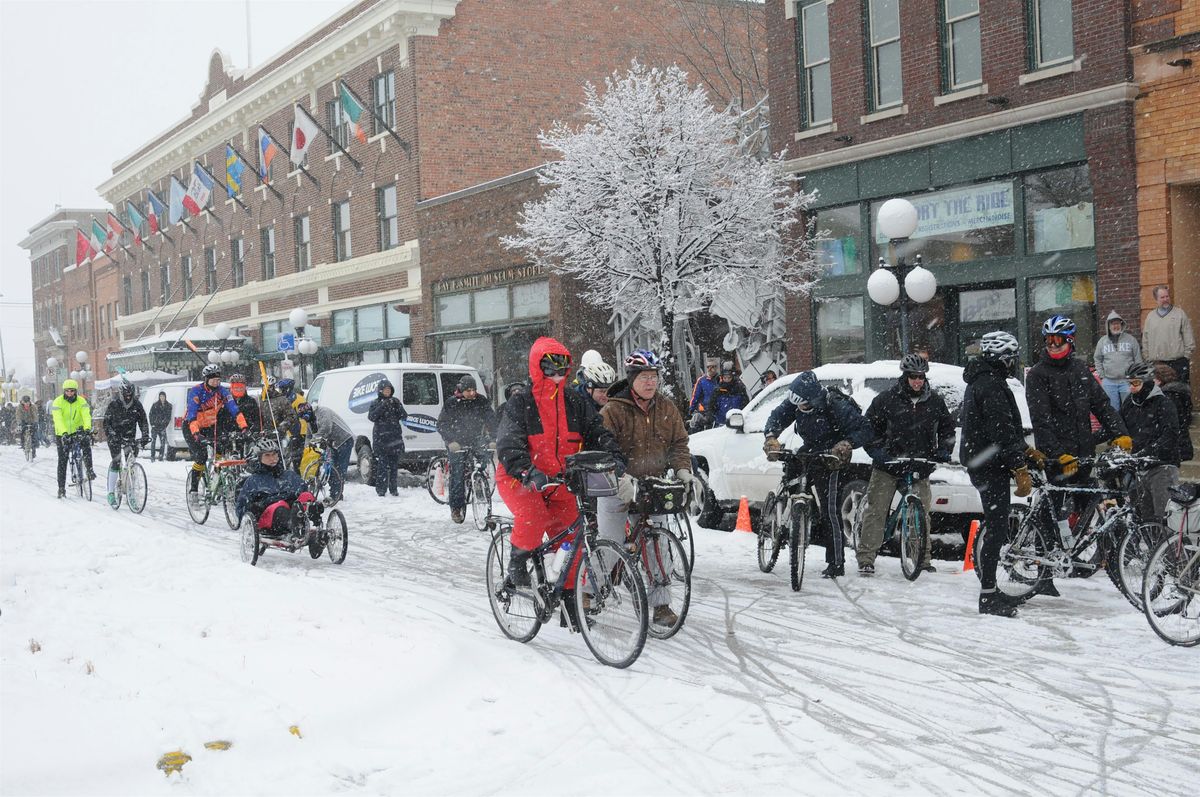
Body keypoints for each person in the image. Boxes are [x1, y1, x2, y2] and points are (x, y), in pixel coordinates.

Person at [495, 337, 626, 588]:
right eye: (550, 367)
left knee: (572, 540)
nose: (557, 374)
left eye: (562, 368)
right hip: (519, 478)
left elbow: (596, 432)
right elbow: (509, 442)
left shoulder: (574, 402)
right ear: (537, 366)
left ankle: (571, 601)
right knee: (534, 514)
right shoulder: (521, 403)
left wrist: (613, 455)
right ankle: (518, 561)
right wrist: (526, 470)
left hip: (560, 480)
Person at [1025, 315, 1130, 598]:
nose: (1052, 345)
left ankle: (1076, 554)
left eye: (1058, 340)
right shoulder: (1037, 375)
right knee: (1051, 510)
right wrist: (1058, 455)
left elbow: (1102, 406)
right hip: (1057, 457)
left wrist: (1120, 433)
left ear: (1069, 342)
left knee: (1089, 503)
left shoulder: (1081, 370)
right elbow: (1041, 422)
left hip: (1083, 455)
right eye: (1048, 340)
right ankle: (1043, 572)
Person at [597, 349, 691, 627]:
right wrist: (619, 476)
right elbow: (604, 447)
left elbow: (679, 443)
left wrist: (683, 471)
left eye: (655, 377)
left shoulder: (666, 407)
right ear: (632, 379)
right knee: (609, 542)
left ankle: (661, 605)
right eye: (645, 378)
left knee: (657, 544)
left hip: (652, 486)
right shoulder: (613, 410)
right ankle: (589, 592)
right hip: (619, 486)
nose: (651, 383)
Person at [762, 371, 873, 578]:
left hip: (830, 455)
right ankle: (794, 513)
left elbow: (865, 428)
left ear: (813, 400)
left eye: (804, 406)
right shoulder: (796, 402)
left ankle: (835, 562)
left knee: (830, 511)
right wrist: (771, 436)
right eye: (797, 406)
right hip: (809, 448)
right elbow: (777, 416)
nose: (800, 409)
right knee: (792, 470)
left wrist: (847, 444)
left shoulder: (835, 404)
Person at [960, 331, 1039, 617]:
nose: (1014, 363)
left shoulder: (984, 380)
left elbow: (1004, 428)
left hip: (984, 461)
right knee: (996, 529)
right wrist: (1019, 465)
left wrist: (1025, 451)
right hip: (988, 466)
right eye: (1011, 358)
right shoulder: (990, 384)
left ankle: (992, 591)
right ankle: (988, 596)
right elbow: (1001, 431)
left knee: (997, 527)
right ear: (1002, 358)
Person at [857, 354, 955, 577]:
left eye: (921, 377)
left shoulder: (935, 402)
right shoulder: (886, 400)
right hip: (889, 464)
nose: (917, 382)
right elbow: (869, 429)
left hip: (920, 464)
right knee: (876, 510)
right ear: (905, 377)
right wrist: (878, 452)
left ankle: (922, 559)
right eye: (913, 377)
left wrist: (944, 450)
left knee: (921, 514)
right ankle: (866, 558)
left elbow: (947, 430)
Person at [1120, 361, 1181, 523]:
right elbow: (1117, 427)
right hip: (1140, 467)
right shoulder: (1129, 403)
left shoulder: (1164, 403)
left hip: (1162, 466)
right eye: (1129, 383)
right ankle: (1149, 548)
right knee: (1144, 521)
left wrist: (1145, 452)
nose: (1131, 387)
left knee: (1164, 518)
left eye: (1136, 383)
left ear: (1147, 382)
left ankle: (1170, 548)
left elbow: (1170, 436)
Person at [437, 374, 498, 523]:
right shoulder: (452, 403)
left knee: (484, 459)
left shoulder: (481, 401)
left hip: (476, 439)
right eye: (468, 390)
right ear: (461, 390)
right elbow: (442, 424)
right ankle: (456, 508)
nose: (472, 393)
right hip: (456, 441)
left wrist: (493, 439)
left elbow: (492, 420)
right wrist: (451, 441)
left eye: (474, 390)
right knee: (457, 473)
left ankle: (479, 483)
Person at [184, 365, 248, 499]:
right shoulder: (196, 391)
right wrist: (196, 434)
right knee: (201, 456)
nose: (216, 383)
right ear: (206, 379)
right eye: (213, 380)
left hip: (210, 425)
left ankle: (216, 477)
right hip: (192, 426)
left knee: (222, 447)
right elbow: (191, 415)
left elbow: (234, 409)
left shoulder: (223, 391)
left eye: (218, 380)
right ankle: (193, 490)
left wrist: (244, 427)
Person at [235, 438, 320, 536]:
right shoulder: (253, 480)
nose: (272, 458)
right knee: (280, 506)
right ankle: (293, 524)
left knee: (306, 496)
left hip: (293, 509)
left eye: (274, 454)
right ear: (259, 458)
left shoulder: (289, 475)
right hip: (270, 520)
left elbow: (303, 490)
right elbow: (240, 509)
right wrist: (254, 507)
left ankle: (316, 530)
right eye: (267, 455)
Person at [103, 379, 150, 507]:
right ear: (121, 393)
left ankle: (130, 493)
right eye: (126, 394)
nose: (128, 397)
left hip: (130, 436)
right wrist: (112, 434)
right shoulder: (114, 404)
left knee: (131, 463)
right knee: (116, 461)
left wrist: (145, 435)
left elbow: (143, 421)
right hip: (115, 438)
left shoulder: (137, 405)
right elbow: (106, 423)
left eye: (130, 394)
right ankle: (111, 493)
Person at [1142, 285, 1194, 384]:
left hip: (1178, 363)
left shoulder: (1179, 314)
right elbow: (1145, 340)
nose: (1166, 299)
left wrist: (1185, 358)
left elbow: (1188, 337)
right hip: (1158, 365)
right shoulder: (1150, 317)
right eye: (1162, 297)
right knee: (1160, 396)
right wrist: (1148, 359)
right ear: (1156, 299)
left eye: (1167, 296)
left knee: (1180, 394)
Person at [51, 378, 94, 498]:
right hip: (62, 434)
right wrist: (64, 433)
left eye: (72, 391)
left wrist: (87, 429)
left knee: (86, 444)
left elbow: (86, 415)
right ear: (64, 391)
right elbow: (58, 419)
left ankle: (90, 470)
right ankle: (61, 488)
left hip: (76, 431)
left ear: (76, 391)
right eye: (67, 391)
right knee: (63, 460)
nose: (69, 393)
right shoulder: (57, 402)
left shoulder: (82, 401)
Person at [1093, 309, 1142, 410]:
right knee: (1112, 410)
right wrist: (1102, 376)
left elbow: (1138, 359)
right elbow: (1097, 359)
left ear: (1122, 324)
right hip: (1109, 382)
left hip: (1127, 381)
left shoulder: (1131, 340)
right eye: (1113, 324)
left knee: (1129, 408)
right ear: (1108, 326)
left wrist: (1135, 378)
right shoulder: (1102, 342)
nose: (1115, 326)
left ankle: (1128, 426)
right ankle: (1116, 426)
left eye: (1117, 323)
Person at [368, 378, 408, 496]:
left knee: (394, 467)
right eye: (385, 390)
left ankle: (393, 489)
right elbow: (372, 417)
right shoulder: (375, 403)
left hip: (394, 438)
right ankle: (381, 490)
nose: (387, 392)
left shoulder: (395, 401)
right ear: (380, 391)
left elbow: (404, 416)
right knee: (382, 466)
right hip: (381, 439)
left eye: (389, 389)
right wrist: (382, 406)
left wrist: (398, 406)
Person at [311, 403, 356, 505]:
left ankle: (337, 495)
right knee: (332, 467)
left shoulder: (323, 411)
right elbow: (309, 434)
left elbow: (327, 427)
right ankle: (335, 493)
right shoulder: (310, 418)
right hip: (333, 442)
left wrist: (316, 438)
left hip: (344, 440)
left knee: (339, 468)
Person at [1155, 363, 1193, 462]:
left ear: (1159, 380)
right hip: (1179, 442)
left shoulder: (1168, 397)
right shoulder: (1178, 393)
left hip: (1174, 445)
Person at [261, 376, 300, 466]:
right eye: (265, 387)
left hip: (279, 437)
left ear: (274, 387)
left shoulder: (281, 399)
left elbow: (292, 416)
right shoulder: (260, 400)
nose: (267, 389)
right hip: (265, 437)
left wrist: (282, 427)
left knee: (282, 461)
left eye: (270, 387)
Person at [217, 374, 260, 454]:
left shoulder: (251, 401)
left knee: (250, 456)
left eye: (241, 387)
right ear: (231, 388)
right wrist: (221, 433)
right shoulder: (225, 401)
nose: (238, 389)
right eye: (236, 387)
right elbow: (219, 419)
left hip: (247, 435)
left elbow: (257, 418)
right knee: (222, 456)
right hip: (228, 435)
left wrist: (254, 430)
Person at [710, 361, 749, 426]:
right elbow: (711, 407)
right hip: (721, 423)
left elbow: (745, 405)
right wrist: (712, 417)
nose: (727, 380)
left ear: (733, 377)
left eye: (729, 377)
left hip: (737, 423)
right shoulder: (718, 390)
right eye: (725, 378)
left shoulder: (739, 389)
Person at [687, 357, 721, 431]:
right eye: (708, 367)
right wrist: (691, 408)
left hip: (718, 409)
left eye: (713, 367)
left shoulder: (720, 379)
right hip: (705, 409)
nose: (710, 369)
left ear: (716, 368)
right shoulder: (702, 380)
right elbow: (695, 395)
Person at [148, 391, 173, 462]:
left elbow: (168, 417)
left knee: (163, 443)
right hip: (155, 426)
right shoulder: (155, 405)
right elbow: (150, 415)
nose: (162, 398)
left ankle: (161, 456)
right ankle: (152, 456)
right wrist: (152, 424)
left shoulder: (168, 406)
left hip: (162, 427)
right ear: (159, 397)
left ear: (165, 397)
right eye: (161, 396)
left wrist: (165, 425)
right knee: (153, 442)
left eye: (163, 396)